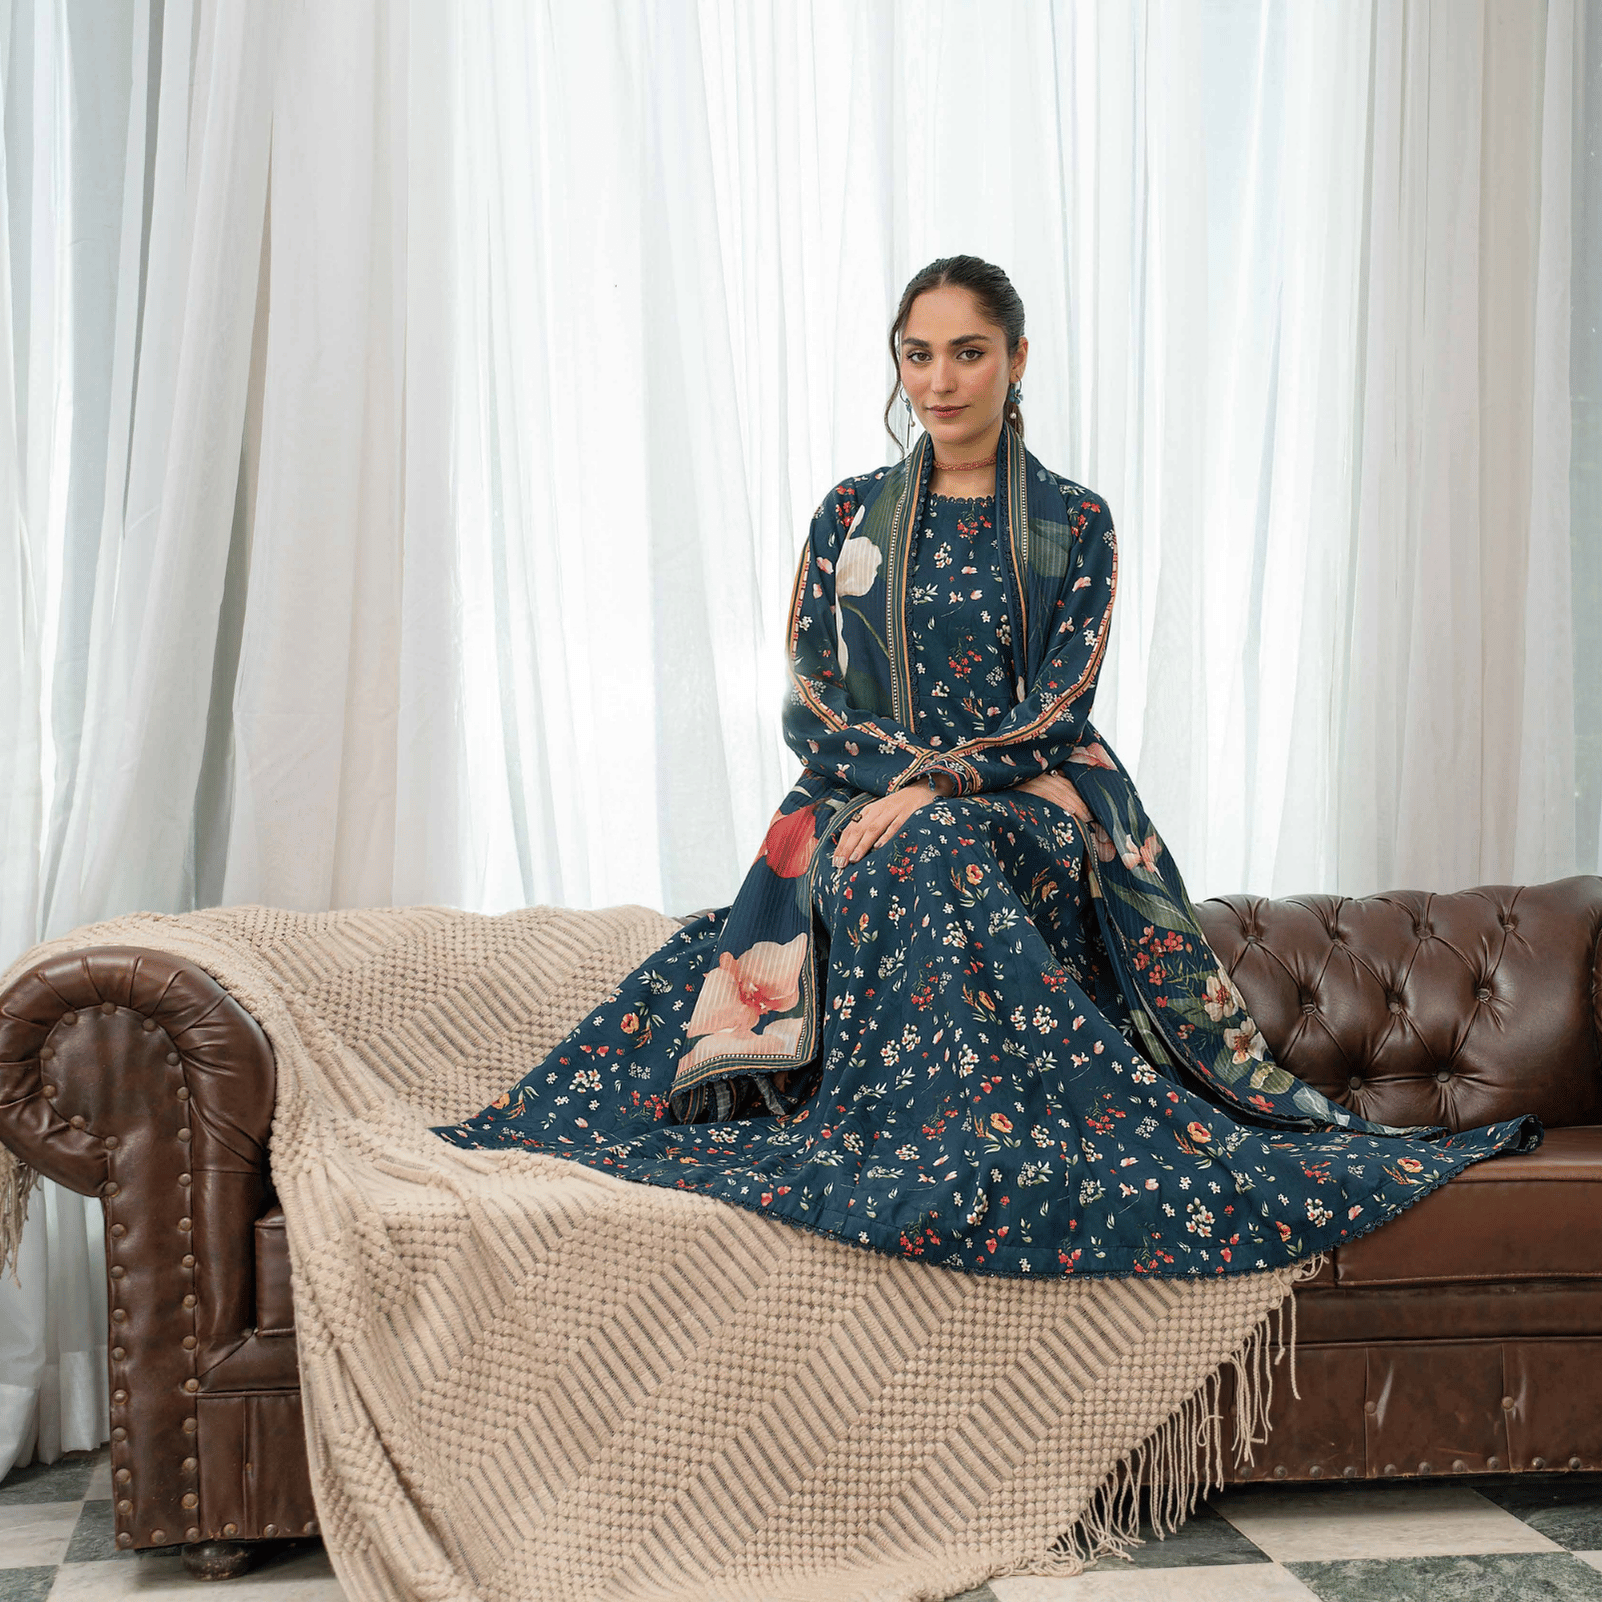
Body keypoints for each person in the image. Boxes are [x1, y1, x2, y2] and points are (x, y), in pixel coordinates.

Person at [437, 256, 1537, 1278]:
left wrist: (938, 786)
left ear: (1017, 359)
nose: (940, 378)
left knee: (940, 840)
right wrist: (892, 789)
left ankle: (961, 1146)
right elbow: (811, 697)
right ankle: (902, 1136)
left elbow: (1063, 705)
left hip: (1033, 803)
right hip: (858, 802)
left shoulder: (1076, 523)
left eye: (967, 351)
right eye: (918, 353)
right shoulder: (849, 516)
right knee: (782, 915)